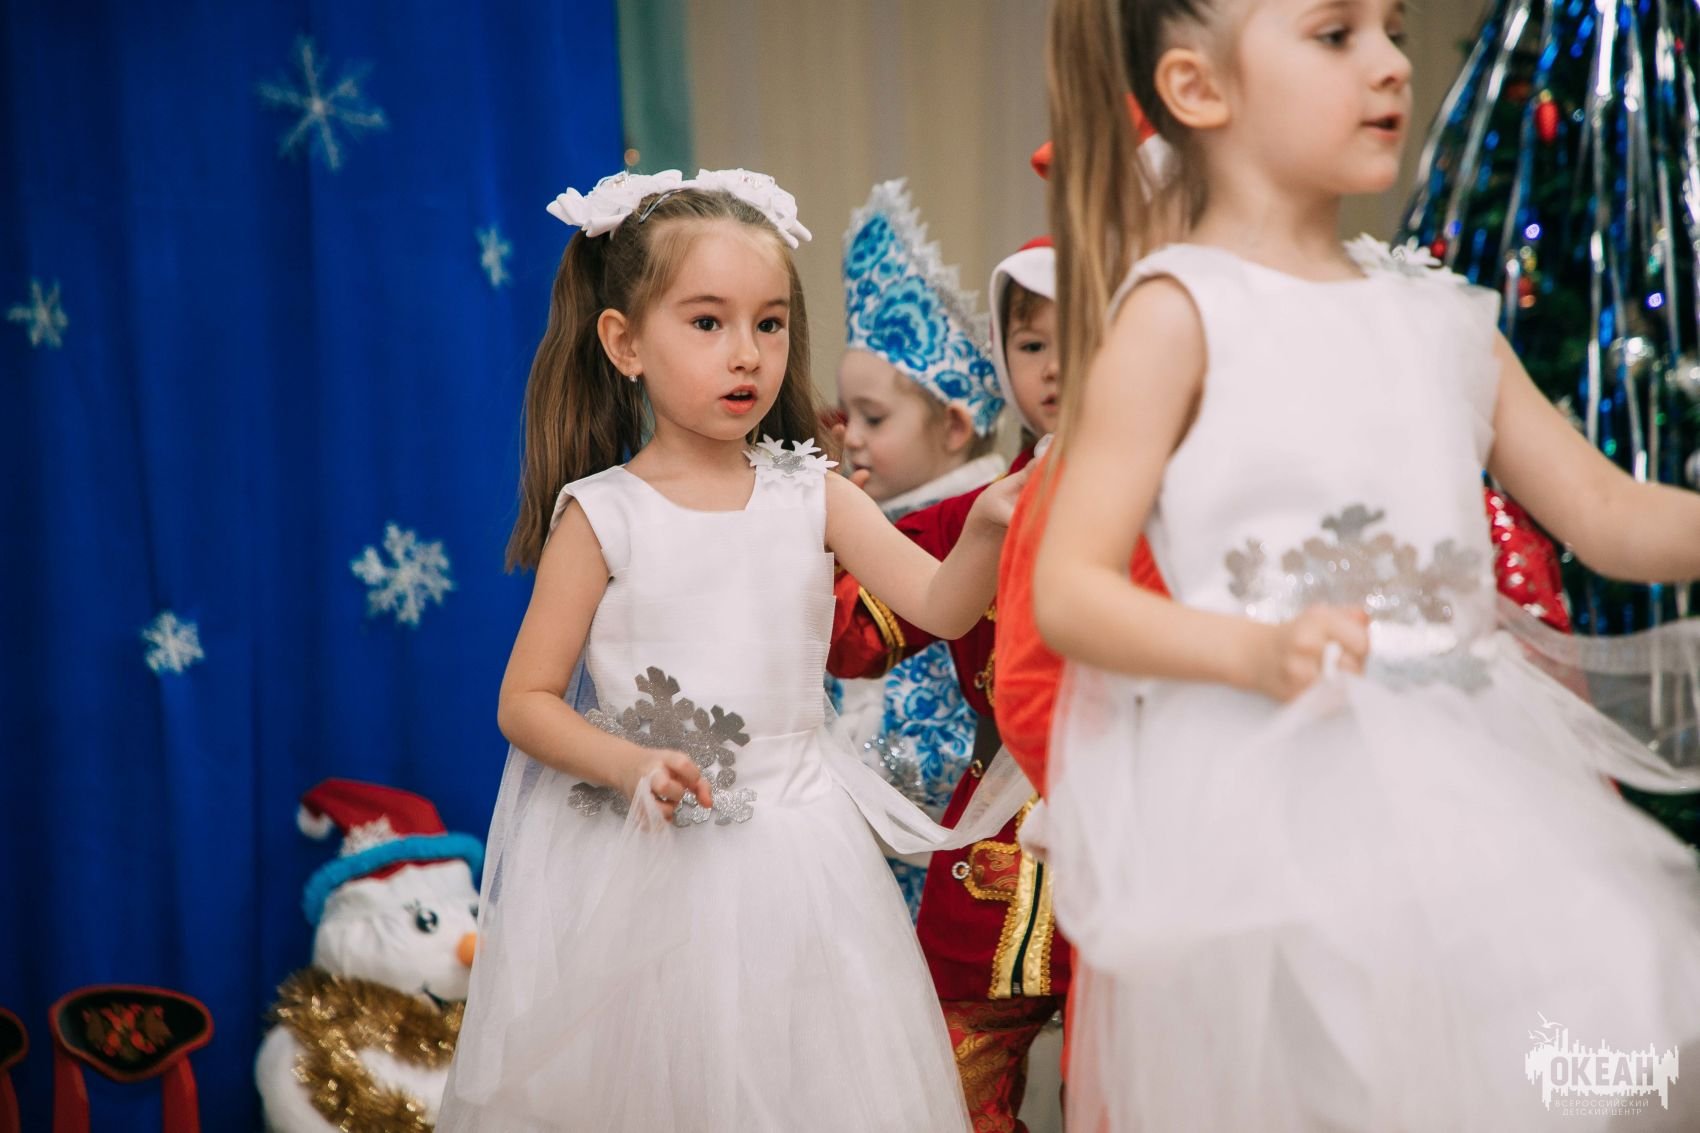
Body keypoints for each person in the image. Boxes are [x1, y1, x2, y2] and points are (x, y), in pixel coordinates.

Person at [1031, 0, 1700, 1126]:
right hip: (1268, 799)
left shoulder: (1439, 318)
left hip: (1468, 780)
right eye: (1335, 35)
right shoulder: (1178, 314)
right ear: (1199, 88)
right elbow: (1070, 588)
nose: (1391, 63)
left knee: (1533, 1066)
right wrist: (1251, 650)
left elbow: (1606, 512)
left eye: (1392, 29)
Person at [437, 168, 1031, 1132]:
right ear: (625, 343)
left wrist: (987, 530)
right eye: (707, 322)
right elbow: (526, 701)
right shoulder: (602, 515)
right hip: (648, 877)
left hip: (803, 862)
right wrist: (630, 762)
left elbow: (941, 606)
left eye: (771, 323)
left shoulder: (813, 493)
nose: (747, 353)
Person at [831, 179, 1009, 913]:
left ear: (956, 427)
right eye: (845, 414)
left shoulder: (971, 534)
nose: (850, 436)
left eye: (873, 417)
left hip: (939, 859)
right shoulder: (853, 518)